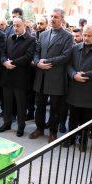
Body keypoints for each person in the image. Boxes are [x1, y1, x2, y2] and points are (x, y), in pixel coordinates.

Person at [29, 8, 73, 143]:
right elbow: (36, 52)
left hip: (56, 78)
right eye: (51, 16)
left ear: (62, 19)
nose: (53, 19)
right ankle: (39, 128)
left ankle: (53, 132)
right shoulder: (43, 34)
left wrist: (47, 61)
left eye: (56, 17)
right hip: (41, 76)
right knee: (40, 105)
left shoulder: (68, 36)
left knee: (55, 108)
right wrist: (37, 63)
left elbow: (66, 56)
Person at [63, 25, 92, 150]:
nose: (86, 38)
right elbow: (69, 65)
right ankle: (70, 139)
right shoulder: (75, 48)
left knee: (86, 120)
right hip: (75, 89)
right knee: (73, 118)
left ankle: (83, 142)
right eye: (85, 35)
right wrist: (73, 75)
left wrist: (84, 75)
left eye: (90, 36)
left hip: (91, 92)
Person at [0, 16, 36, 137]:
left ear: (24, 25)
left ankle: (21, 126)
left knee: (21, 105)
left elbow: (28, 57)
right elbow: (2, 53)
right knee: (7, 102)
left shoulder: (31, 39)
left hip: (21, 78)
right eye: (14, 25)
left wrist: (11, 63)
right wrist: (4, 62)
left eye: (18, 25)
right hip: (8, 76)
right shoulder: (9, 38)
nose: (15, 28)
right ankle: (7, 123)